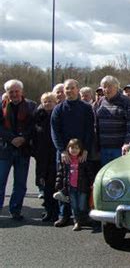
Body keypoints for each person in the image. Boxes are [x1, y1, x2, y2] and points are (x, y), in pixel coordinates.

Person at [51, 79, 95, 227]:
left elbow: (90, 130)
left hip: (81, 153)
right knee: (64, 184)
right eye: (66, 89)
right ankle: (64, 215)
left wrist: (86, 150)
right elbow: (55, 132)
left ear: (78, 89)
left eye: (72, 88)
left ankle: (82, 215)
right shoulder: (58, 109)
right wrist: (62, 150)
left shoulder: (86, 108)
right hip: (64, 153)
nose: (69, 91)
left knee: (82, 185)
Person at [0, 79, 37, 220]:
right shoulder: (1, 106)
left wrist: (23, 138)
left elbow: (33, 126)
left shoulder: (31, 106)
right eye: (11, 92)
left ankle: (15, 210)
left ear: (21, 91)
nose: (14, 94)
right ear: (7, 93)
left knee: (20, 183)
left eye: (17, 91)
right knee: (1, 182)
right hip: (4, 150)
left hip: (23, 150)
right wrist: (11, 138)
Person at [95, 76, 130, 166]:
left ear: (116, 87)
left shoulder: (126, 101)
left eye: (109, 86)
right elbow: (96, 125)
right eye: (104, 87)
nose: (107, 89)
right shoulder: (100, 102)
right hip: (103, 148)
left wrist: (127, 142)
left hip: (120, 148)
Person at [55, 139, 94, 231]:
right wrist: (58, 185)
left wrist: (92, 183)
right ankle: (77, 222)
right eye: (72, 148)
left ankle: (85, 219)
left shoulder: (83, 161)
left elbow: (90, 174)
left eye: (77, 148)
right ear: (68, 149)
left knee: (82, 205)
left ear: (81, 150)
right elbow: (60, 174)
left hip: (82, 188)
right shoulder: (66, 161)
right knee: (74, 206)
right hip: (71, 188)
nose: (74, 150)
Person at [32, 92, 59, 222]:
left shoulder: (58, 115)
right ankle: (48, 210)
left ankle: (57, 212)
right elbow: (32, 135)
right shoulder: (37, 116)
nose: (48, 104)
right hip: (42, 156)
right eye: (45, 101)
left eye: (50, 101)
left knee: (56, 184)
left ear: (55, 102)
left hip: (55, 154)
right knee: (45, 185)